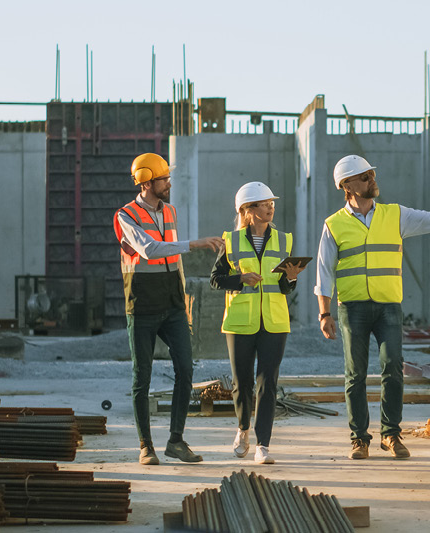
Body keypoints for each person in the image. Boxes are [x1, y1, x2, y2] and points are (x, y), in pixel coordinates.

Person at [315, 154, 430, 460]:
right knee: (355, 375)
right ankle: (359, 439)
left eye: (372, 175)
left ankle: (390, 435)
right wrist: (324, 313)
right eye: (364, 177)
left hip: (388, 307)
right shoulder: (334, 225)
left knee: (393, 370)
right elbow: (324, 272)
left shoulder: (394, 215)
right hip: (352, 309)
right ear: (346, 185)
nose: (372, 180)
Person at [113, 152, 224, 466]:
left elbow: (173, 263)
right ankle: (145, 446)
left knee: (186, 370)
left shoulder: (171, 211)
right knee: (142, 377)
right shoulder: (125, 215)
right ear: (147, 182)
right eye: (163, 179)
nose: (169, 183)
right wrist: (195, 244)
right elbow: (149, 250)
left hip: (174, 305)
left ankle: (175, 441)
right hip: (142, 306)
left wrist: (184, 298)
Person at [210, 181, 305, 465]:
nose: (270, 207)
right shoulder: (232, 241)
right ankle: (242, 430)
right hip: (240, 322)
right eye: (264, 204)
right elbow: (215, 280)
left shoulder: (284, 239)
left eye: (271, 203)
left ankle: (263, 445)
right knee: (242, 383)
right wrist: (240, 278)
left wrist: (291, 276)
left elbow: (287, 288)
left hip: (275, 321)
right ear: (247, 210)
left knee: (268, 383)